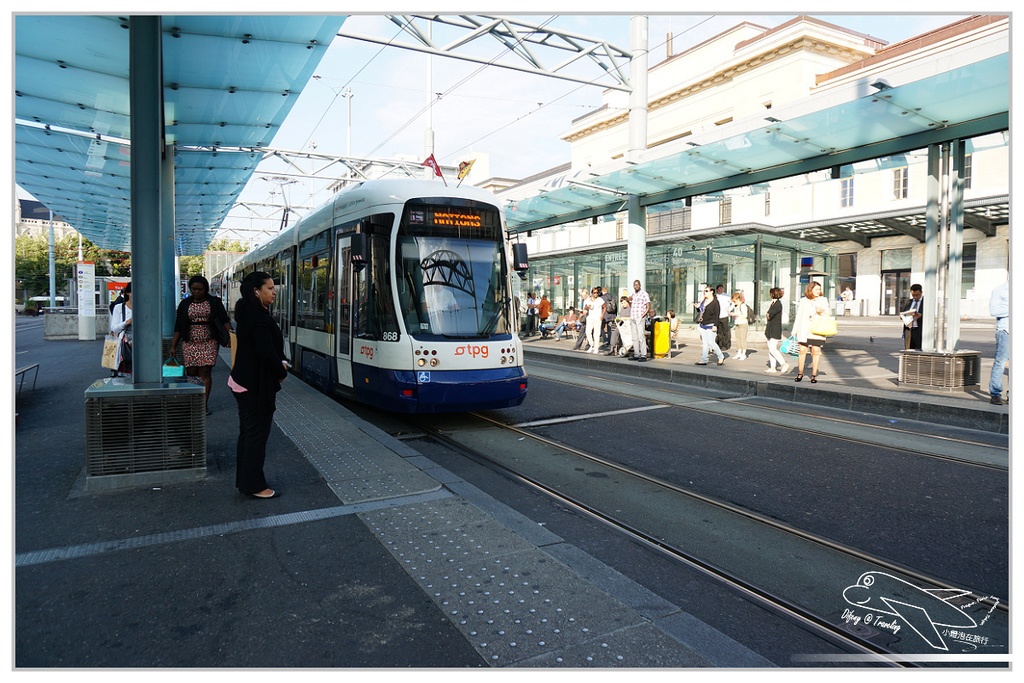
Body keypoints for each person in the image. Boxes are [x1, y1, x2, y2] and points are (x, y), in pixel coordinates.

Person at [228, 271, 288, 499]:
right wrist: (281, 371)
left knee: (248, 434)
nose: (274, 292)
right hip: (254, 386)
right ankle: (254, 485)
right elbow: (266, 353)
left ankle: (246, 481)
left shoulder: (248, 313)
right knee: (256, 436)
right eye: (270, 288)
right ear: (256, 291)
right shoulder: (258, 319)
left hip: (243, 381)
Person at [169, 275, 233, 415]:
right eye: (194, 289)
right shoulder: (185, 304)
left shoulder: (214, 302)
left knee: (205, 372)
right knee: (191, 373)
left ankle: (203, 405)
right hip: (190, 342)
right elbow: (178, 326)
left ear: (206, 289)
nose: (197, 292)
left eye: (200, 289)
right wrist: (173, 346)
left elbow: (224, 319)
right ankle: (193, 402)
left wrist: (230, 335)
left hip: (209, 341)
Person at [791, 280, 830, 383]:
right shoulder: (803, 300)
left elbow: (828, 314)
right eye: (816, 289)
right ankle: (800, 373)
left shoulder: (823, 300)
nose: (819, 291)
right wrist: (794, 331)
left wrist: (822, 312)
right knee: (802, 351)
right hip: (804, 329)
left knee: (815, 351)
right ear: (810, 289)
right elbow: (798, 316)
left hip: (817, 330)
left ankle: (813, 375)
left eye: (819, 289)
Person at [988, 280, 1009, 405]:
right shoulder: (1000, 290)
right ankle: (995, 393)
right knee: (1000, 362)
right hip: (1005, 331)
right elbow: (994, 311)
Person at [693, 285, 724, 366]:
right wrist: (697, 307)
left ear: (711, 292)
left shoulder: (715, 302)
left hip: (711, 324)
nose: (705, 292)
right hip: (703, 323)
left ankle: (721, 356)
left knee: (711, 342)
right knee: (705, 343)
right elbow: (701, 311)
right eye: (704, 291)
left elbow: (717, 314)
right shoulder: (704, 300)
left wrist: (715, 325)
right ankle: (704, 360)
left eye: (706, 291)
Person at [108, 282, 133, 377]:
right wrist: (126, 322)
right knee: (125, 373)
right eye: (132, 292)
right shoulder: (119, 307)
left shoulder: (144, 308)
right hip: (124, 344)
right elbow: (114, 328)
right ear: (127, 293)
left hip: (141, 344)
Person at [764, 287, 790, 374]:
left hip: (775, 329)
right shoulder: (773, 303)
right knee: (770, 349)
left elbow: (769, 314)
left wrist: (768, 315)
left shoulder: (778, 304)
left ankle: (783, 363)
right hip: (770, 328)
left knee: (772, 349)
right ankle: (773, 367)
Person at [627, 279, 650, 362]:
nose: (636, 286)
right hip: (633, 317)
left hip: (639, 317)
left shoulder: (644, 294)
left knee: (641, 336)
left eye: (637, 285)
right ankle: (636, 354)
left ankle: (643, 354)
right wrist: (628, 300)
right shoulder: (633, 295)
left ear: (640, 285)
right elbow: (632, 305)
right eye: (635, 285)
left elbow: (648, 307)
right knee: (634, 337)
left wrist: (642, 316)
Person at [583, 286, 606, 354]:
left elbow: (605, 307)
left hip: (597, 317)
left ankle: (596, 348)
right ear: (592, 293)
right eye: (594, 293)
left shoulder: (600, 300)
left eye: (597, 293)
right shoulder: (588, 300)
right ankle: (592, 345)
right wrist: (587, 308)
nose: (596, 294)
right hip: (590, 317)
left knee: (596, 333)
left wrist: (602, 315)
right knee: (587, 332)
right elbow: (586, 308)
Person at [901, 284, 924, 351]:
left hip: (919, 330)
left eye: (917, 295)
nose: (915, 297)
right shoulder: (909, 302)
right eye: (913, 295)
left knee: (920, 350)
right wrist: (902, 316)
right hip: (909, 330)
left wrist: (921, 316)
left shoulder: (925, 302)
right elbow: (903, 313)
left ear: (921, 292)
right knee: (908, 350)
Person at [730, 291, 749, 360]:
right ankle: (739, 352)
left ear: (737, 299)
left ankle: (743, 354)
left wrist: (735, 314)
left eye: (734, 301)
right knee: (738, 339)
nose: (734, 302)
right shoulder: (736, 306)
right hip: (737, 323)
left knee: (742, 339)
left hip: (743, 323)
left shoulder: (742, 305)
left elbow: (745, 315)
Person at [715, 285, 732, 353]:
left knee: (725, 331)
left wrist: (729, 310)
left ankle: (726, 344)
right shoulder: (715, 296)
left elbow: (732, 303)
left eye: (722, 288)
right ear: (717, 290)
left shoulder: (727, 296)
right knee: (719, 331)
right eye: (719, 289)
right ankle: (720, 344)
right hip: (718, 316)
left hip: (725, 315)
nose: (720, 290)